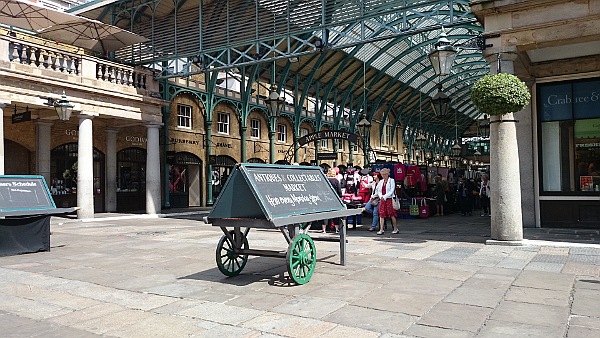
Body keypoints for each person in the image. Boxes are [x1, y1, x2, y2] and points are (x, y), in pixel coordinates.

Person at [375, 168, 399, 235]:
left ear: (387, 174)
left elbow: (392, 190)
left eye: (384, 174)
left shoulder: (391, 181)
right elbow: (379, 190)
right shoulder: (381, 182)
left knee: (391, 214)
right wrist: (381, 196)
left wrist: (385, 196)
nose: (383, 176)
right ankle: (381, 229)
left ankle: (395, 228)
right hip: (382, 200)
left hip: (389, 199)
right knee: (381, 214)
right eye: (382, 174)